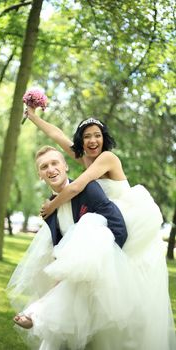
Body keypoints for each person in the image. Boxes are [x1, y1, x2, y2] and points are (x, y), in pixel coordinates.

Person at [21, 107, 176, 350]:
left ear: (104, 138)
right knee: (87, 274)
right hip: (102, 217)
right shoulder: (83, 157)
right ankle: (73, 328)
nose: (93, 141)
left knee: (120, 282)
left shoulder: (107, 158)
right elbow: (56, 135)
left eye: (97, 135)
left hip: (125, 218)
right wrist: (32, 116)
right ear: (81, 141)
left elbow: (75, 187)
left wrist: (51, 205)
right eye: (87, 137)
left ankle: (45, 313)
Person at [7, 146, 142, 350]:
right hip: (74, 277)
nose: (51, 169)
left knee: (90, 222)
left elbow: (119, 229)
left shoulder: (89, 188)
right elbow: (62, 257)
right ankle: (41, 311)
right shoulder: (50, 210)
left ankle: (37, 313)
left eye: (55, 163)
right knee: (65, 333)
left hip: (106, 267)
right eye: (44, 167)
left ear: (65, 166)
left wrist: (99, 256)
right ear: (40, 175)